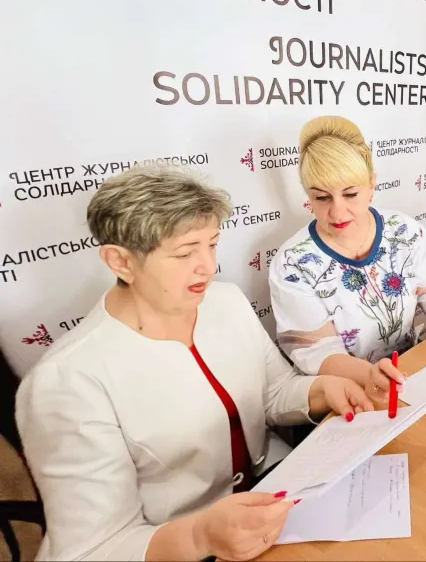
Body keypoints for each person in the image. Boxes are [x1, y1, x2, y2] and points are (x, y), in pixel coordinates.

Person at [16, 166, 372, 561]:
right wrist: (199, 537)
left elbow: (273, 392)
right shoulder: (67, 381)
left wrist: (322, 390)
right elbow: (93, 549)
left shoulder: (225, 302)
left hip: (272, 496)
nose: (207, 265)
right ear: (120, 261)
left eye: (212, 245)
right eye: (185, 253)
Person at [269, 116, 426, 403]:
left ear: (371, 184)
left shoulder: (402, 232)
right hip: (347, 394)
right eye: (322, 198)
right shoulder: (293, 264)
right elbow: (318, 351)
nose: (338, 212)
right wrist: (370, 375)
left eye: (350, 194)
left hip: (409, 376)